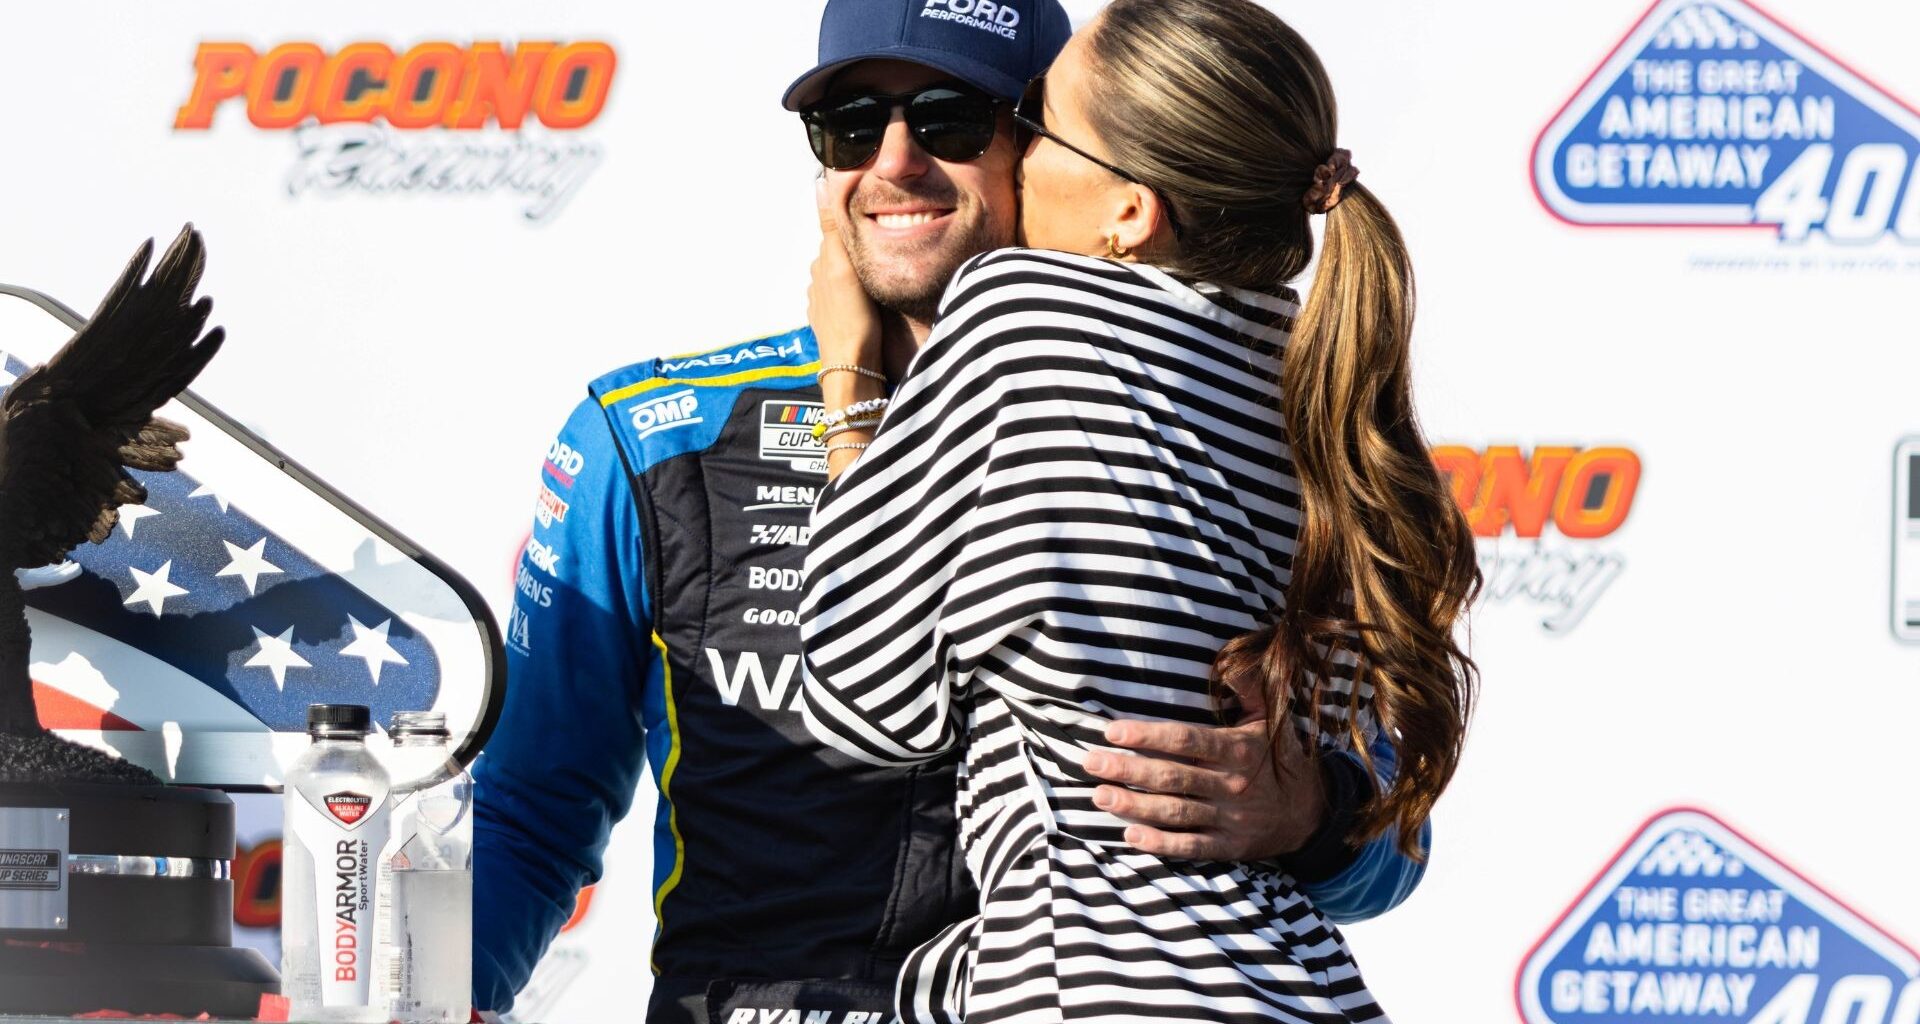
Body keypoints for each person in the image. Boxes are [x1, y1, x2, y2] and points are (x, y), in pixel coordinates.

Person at [471, 1, 1431, 1020]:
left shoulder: (1284, 416)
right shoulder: (654, 437)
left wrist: (1311, 811)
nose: (894, 162)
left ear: (1037, 142)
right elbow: (531, 809)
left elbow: (1394, 837)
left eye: (951, 119)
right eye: (848, 125)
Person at [798, 0, 1481, 1021]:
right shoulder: (1324, 390)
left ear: (1129, 212)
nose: (1022, 156)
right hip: (1301, 987)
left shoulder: (1016, 314)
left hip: (1100, 985)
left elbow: (862, 701)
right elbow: (1381, 776)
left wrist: (849, 393)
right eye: (850, 127)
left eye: (1027, 123)